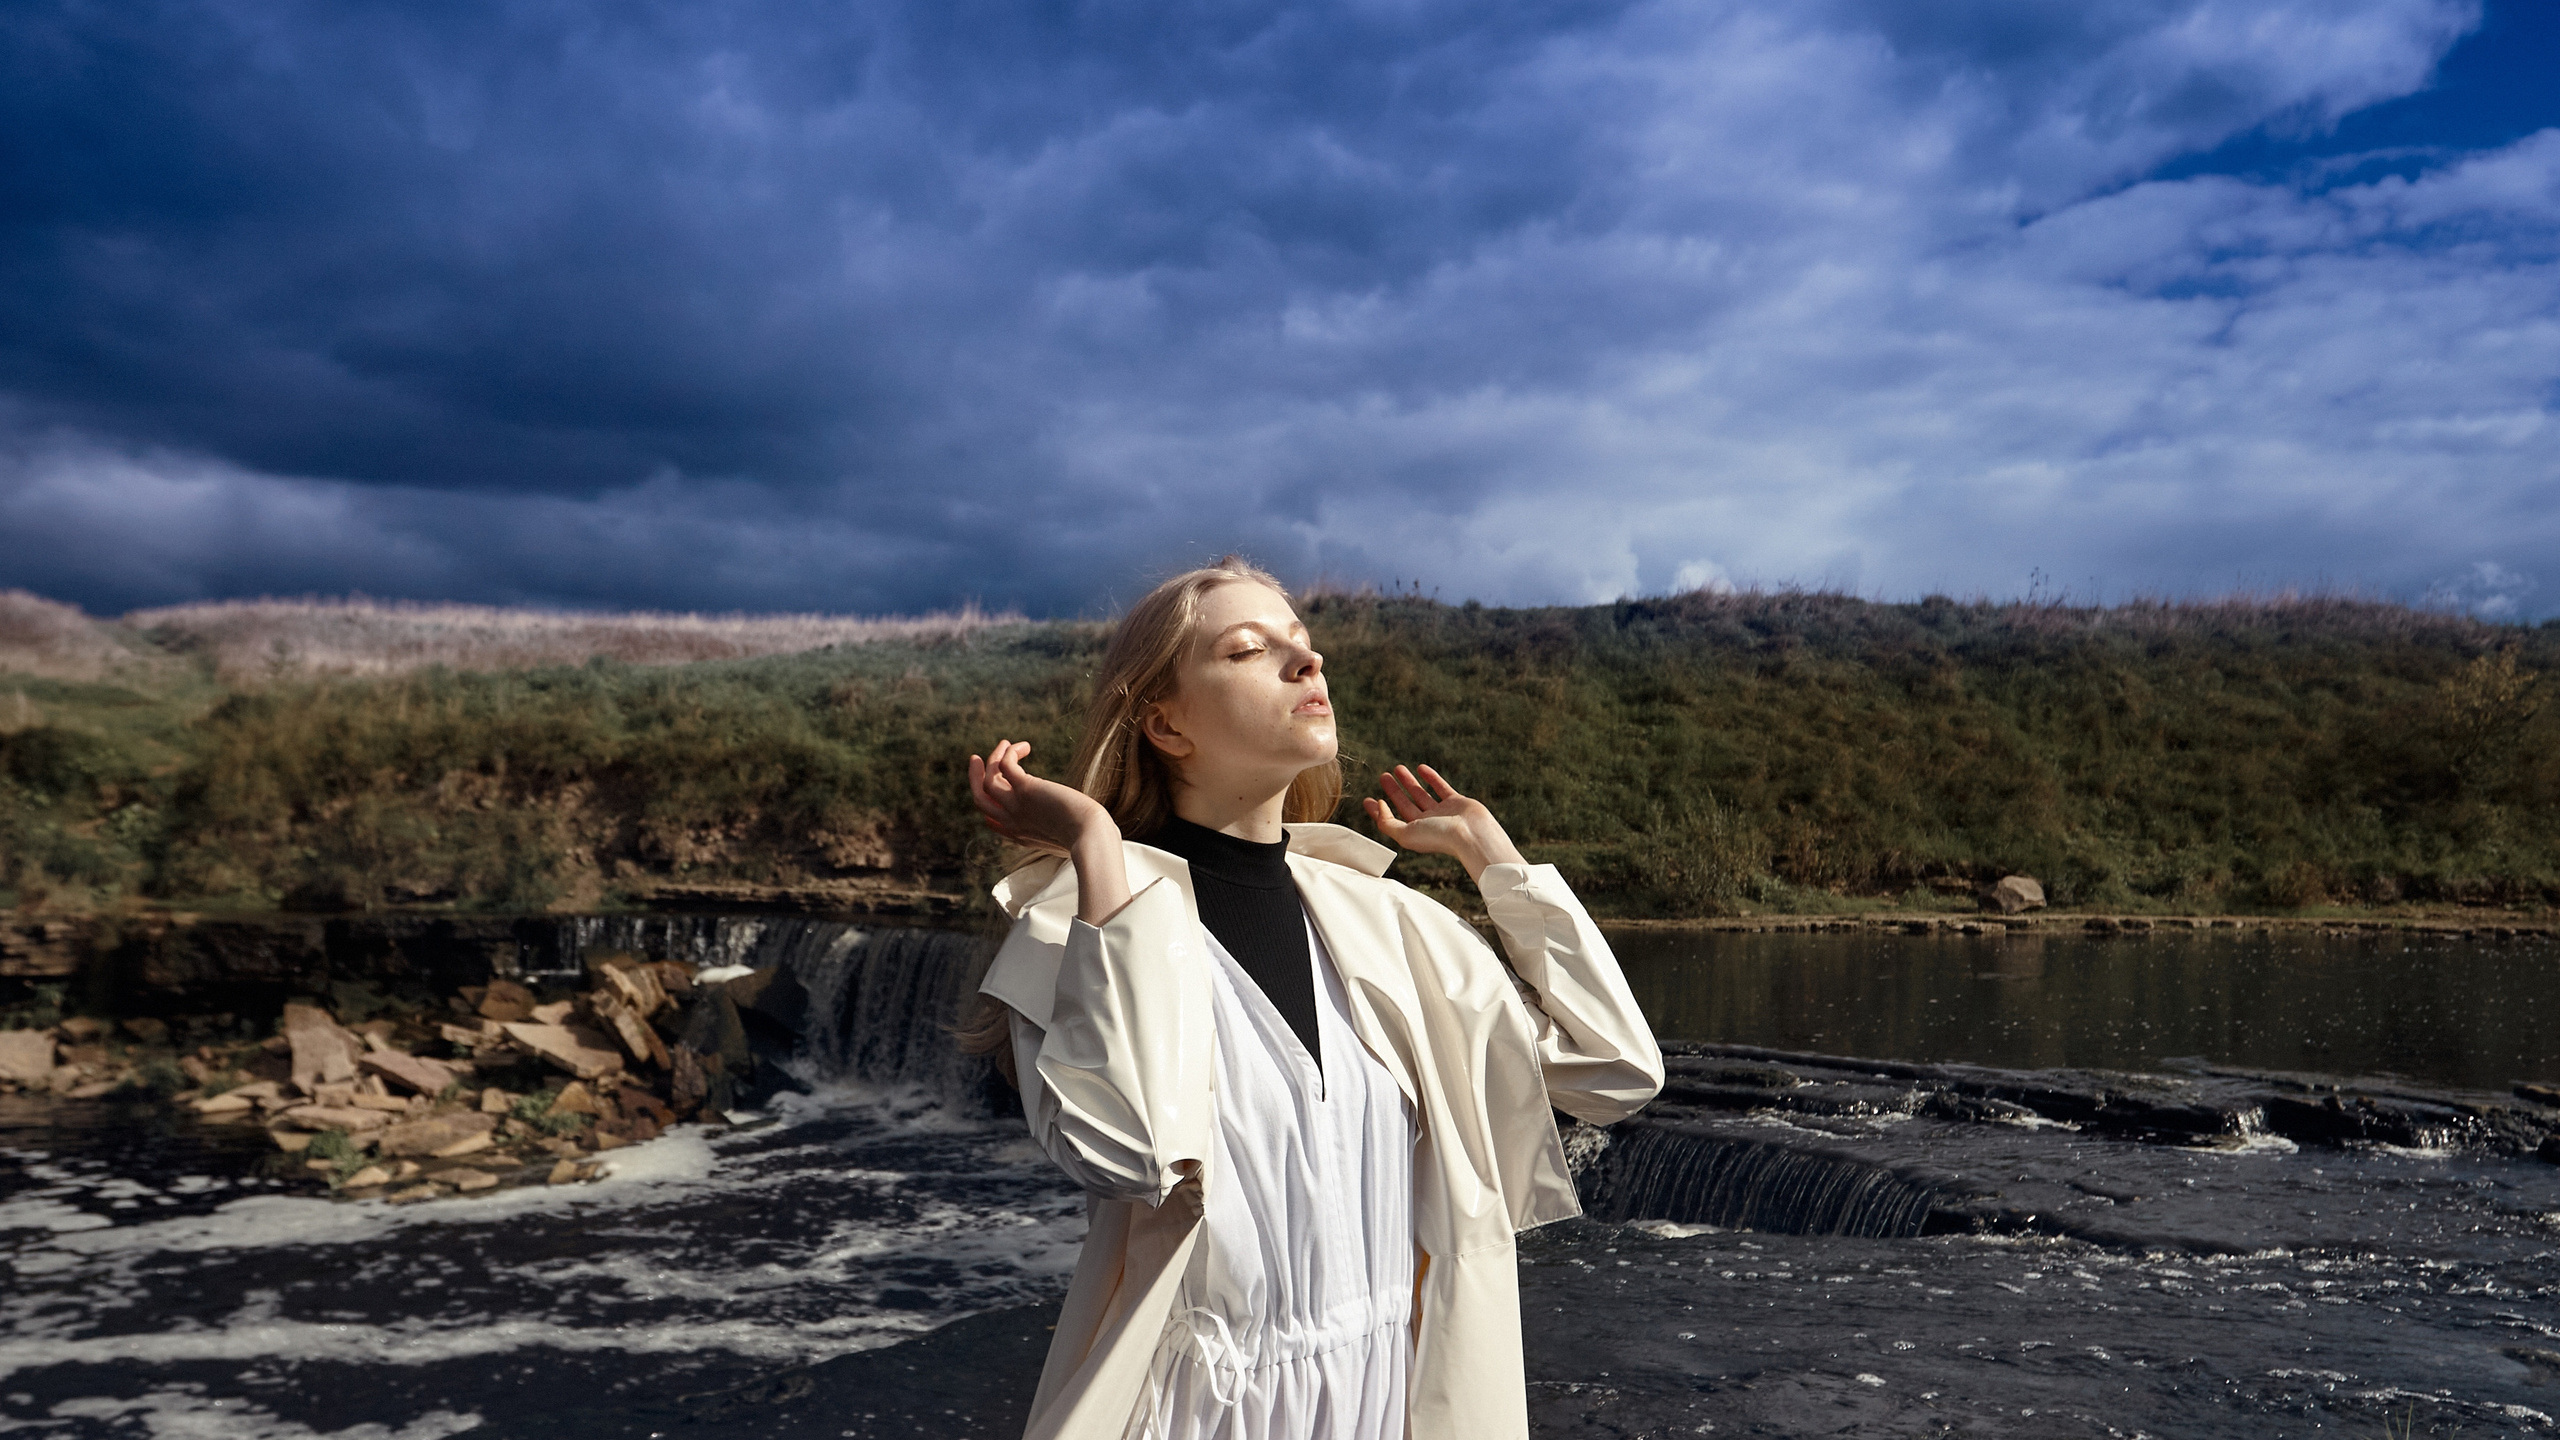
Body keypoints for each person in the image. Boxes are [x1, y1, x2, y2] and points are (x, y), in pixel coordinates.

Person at [962, 557, 1663, 1440]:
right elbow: (1124, 1151)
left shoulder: (1390, 926)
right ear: (1165, 723)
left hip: (1389, 1396)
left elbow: (1616, 1070)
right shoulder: (1077, 921)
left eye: (1305, 645)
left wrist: (1499, 864)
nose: (1308, 664)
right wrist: (1094, 844)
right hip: (1197, 1412)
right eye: (1251, 650)